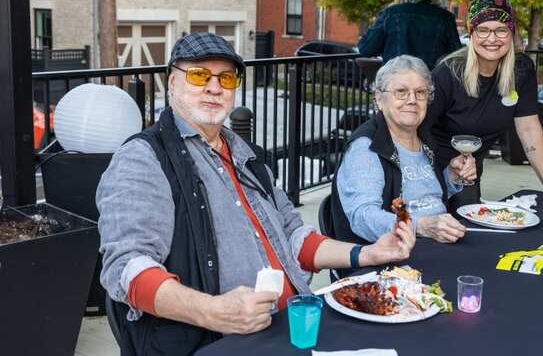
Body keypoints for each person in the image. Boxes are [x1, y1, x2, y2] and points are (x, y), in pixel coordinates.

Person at [97, 32, 416, 355]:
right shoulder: (144, 157)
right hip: (220, 343)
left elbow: (293, 236)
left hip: (295, 328)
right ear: (172, 83)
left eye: (226, 77)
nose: (214, 87)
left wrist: (368, 253)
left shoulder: (246, 154)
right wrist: (214, 311)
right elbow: (126, 267)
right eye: (198, 75)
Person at [426, 0, 543, 210]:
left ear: (511, 34)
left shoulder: (521, 70)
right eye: (483, 30)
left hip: (470, 169)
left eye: (501, 30)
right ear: (471, 33)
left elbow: (528, 129)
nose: (492, 38)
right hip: (430, 168)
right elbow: (417, 130)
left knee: (470, 232)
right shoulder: (448, 72)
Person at [331, 55, 476, 247]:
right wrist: (420, 226)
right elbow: (363, 217)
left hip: (439, 242)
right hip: (395, 255)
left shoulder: (425, 138)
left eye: (421, 92)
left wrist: (451, 177)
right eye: (401, 92)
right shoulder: (367, 148)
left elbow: (425, 196)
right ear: (379, 100)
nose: (412, 100)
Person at [357, 0, 462, 70]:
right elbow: (457, 56)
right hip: (429, 82)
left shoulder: (392, 14)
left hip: (395, 80)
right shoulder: (445, 17)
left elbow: (365, 49)